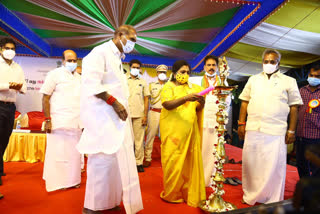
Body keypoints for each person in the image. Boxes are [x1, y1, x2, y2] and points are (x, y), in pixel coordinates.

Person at [76, 25, 143, 214]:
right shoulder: (99, 53)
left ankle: (110, 202)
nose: (133, 44)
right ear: (120, 35)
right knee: (101, 161)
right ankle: (93, 207)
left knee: (115, 163)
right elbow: (91, 84)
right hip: (103, 117)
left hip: (116, 119)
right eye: (132, 39)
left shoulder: (117, 58)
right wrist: (114, 102)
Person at [238, 49, 303, 205]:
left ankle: (272, 198)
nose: (268, 64)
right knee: (251, 163)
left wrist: (291, 130)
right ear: (262, 62)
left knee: (274, 166)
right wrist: (241, 123)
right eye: (265, 61)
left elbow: (295, 107)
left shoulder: (289, 81)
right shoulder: (253, 80)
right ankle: (252, 195)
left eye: (272, 62)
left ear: (278, 63)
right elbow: (244, 101)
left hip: (276, 130)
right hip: (253, 128)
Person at [160, 60, 206, 207]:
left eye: (187, 72)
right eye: (182, 72)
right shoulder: (168, 86)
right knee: (172, 162)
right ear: (174, 73)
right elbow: (167, 104)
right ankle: (172, 193)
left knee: (188, 163)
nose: (185, 75)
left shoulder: (194, 88)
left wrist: (201, 101)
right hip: (173, 132)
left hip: (189, 131)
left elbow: (197, 109)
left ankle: (187, 192)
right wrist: (186, 98)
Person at [40, 50, 82, 192]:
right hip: (58, 121)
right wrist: (48, 119)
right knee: (58, 153)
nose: (72, 63)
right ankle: (57, 182)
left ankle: (73, 180)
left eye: (74, 60)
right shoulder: (54, 74)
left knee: (74, 154)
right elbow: (45, 98)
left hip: (76, 122)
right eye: (69, 60)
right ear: (63, 61)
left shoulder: (79, 78)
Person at [201, 55, 231, 187]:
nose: (211, 68)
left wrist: (223, 120)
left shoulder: (223, 82)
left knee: (214, 152)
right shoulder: (198, 82)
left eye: (214, 65)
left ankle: (211, 179)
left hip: (216, 122)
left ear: (217, 68)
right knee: (201, 150)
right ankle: (199, 178)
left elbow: (228, 102)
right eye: (209, 65)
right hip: (201, 121)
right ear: (204, 67)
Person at [0, 38, 26, 186]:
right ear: (1, 49)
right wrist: (8, 85)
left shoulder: (18, 67)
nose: (10, 51)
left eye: (13, 49)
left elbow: (24, 87)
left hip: (10, 107)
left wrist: (18, 87)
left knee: (5, 139)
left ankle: (0, 167)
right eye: (7, 48)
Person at [296, 63, 320, 178]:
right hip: (301, 135)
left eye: (317, 76)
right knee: (301, 164)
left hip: (316, 137)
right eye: (311, 75)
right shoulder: (301, 90)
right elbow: (296, 109)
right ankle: (305, 189)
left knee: (316, 167)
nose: (314, 78)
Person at [127, 59, 150, 172]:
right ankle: (127, 163)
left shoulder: (143, 81)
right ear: (129, 67)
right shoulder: (123, 80)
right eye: (134, 67)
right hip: (125, 115)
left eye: (137, 67)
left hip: (139, 114)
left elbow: (146, 99)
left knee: (139, 140)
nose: (135, 69)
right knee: (127, 140)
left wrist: (145, 115)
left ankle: (138, 162)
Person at [143, 64, 168, 168]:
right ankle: (148, 157)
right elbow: (146, 101)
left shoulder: (169, 85)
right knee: (150, 136)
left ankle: (166, 159)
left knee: (165, 137)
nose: (162, 74)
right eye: (160, 72)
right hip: (153, 112)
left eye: (164, 72)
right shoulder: (151, 85)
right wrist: (144, 115)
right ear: (157, 73)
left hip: (166, 113)